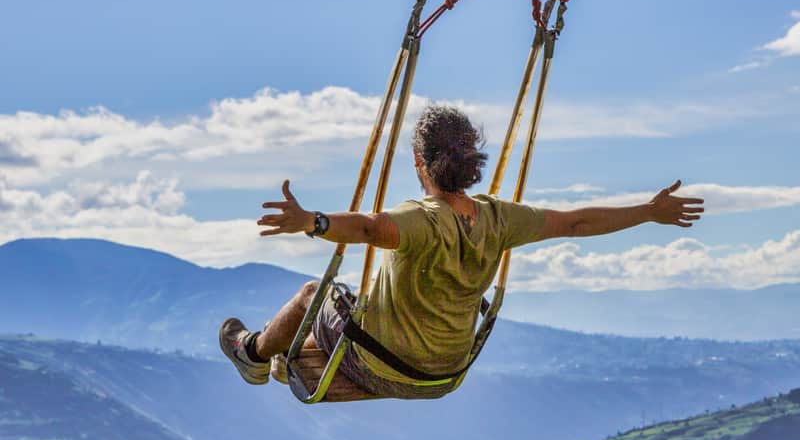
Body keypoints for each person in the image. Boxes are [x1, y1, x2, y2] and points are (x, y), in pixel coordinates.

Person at [219, 105, 705, 398]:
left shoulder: (421, 221)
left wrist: (311, 222)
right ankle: (278, 361)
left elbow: (367, 228)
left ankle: (254, 355)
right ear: (473, 164)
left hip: (383, 364)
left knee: (312, 294)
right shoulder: (499, 218)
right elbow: (576, 222)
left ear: (419, 163)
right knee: (350, 302)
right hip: (445, 374)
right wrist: (647, 211)